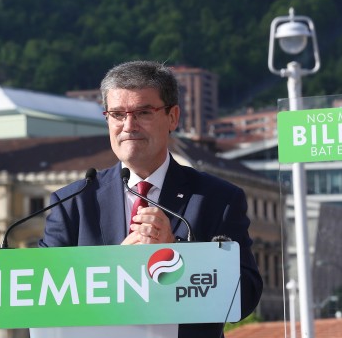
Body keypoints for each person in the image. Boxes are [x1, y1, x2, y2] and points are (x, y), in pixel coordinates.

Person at [39, 60, 263, 338]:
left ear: (173, 117)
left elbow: (245, 299)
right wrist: (115, 268)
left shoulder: (218, 198)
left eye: (143, 112)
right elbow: (44, 301)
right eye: (118, 114)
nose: (128, 126)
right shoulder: (71, 203)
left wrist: (176, 253)